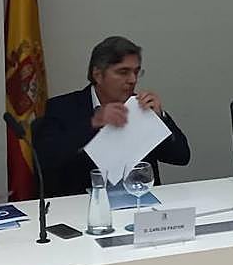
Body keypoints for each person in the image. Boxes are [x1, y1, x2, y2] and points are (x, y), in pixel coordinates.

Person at [34, 36, 190, 198]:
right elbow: (45, 160)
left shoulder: (140, 107)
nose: (132, 80)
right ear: (98, 75)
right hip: (84, 204)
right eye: (123, 72)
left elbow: (181, 157)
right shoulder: (62, 108)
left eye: (136, 72)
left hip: (140, 202)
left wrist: (161, 118)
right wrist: (93, 124)